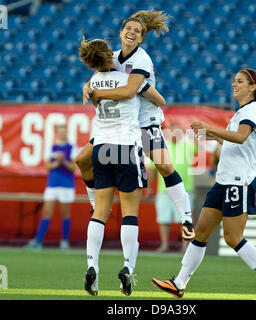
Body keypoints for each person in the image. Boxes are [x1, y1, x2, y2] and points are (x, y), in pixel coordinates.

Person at [151, 68, 256, 300]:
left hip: (238, 182)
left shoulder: (251, 111)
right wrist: (211, 136)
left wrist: (211, 128)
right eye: (234, 80)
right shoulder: (242, 112)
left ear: (252, 87)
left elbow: (241, 137)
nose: (234, 84)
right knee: (200, 233)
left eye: (239, 81)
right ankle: (179, 283)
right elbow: (236, 141)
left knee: (233, 237)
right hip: (223, 181)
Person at [77, 10, 195, 241]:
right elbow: (98, 77)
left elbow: (130, 90)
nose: (132, 32)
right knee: (82, 160)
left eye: (137, 31)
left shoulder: (141, 59)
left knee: (164, 167)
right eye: (128, 29)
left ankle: (187, 218)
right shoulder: (113, 57)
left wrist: (98, 92)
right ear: (120, 33)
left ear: (141, 39)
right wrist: (87, 85)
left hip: (144, 122)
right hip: (120, 126)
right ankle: (96, 206)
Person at [80, 38, 166, 296]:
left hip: (101, 147)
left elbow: (95, 84)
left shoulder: (93, 83)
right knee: (130, 213)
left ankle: (91, 266)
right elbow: (157, 99)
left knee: (100, 212)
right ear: (109, 53)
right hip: (126, 147)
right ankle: (127, 268)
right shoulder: (127, 79)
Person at [25, 124, 78, 250]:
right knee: (46, 212)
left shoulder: (72, 148)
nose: (62, 134)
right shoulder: (52, 148)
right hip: (52, 184)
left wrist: (63, 161)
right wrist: (57, 162)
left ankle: (64, 241)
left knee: (65, 213)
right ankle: (38, 240)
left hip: (66, 185)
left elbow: (73, 168)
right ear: (56, 133)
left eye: (64, 132)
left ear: (67, 133)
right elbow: (47, 167)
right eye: (60, 132)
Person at [148, 124, 196, 253]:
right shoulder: (161, 147)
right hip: (164, 190)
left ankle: (185, 247)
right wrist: (149, 188)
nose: (174, 133)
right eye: (172, 131)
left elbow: (199, 145)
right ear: (167, 133)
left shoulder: (188, 145)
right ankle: (164, 245)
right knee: (164, 219)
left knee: (185, 220)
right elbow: (152, 169)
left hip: (185, 189)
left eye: (177, 131)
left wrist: (193, 132)